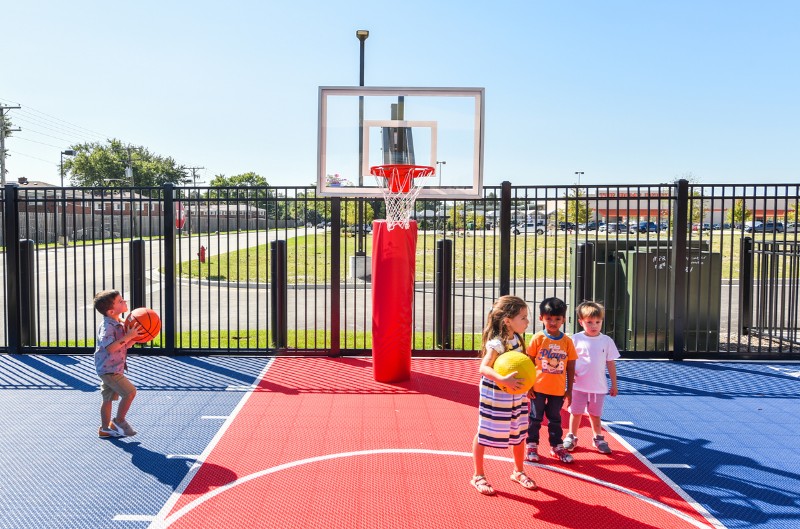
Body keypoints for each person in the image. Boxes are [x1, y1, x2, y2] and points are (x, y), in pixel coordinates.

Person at [471, 295, 537, 495]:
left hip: (515, 394)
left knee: (519, 432)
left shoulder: (517, 338)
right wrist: (503, 380)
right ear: (508, 320)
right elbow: (484, 368)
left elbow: (524, 367)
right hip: (495, 395)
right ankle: (478, 475)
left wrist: (529, 385)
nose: (527, 321)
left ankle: (518, 471)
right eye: (523, 317)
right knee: (485, 432)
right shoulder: (497, 343)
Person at [525, 297, 577, 464]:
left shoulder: (567, 341)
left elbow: (570, 365)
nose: (553, 322)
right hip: (538, 387)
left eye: (557, 319)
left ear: (563, 319)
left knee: (555, 419)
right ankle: (532, 445)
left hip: (558, 389)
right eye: (549, 318)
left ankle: (557, 446)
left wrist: (569, 389)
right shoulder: (538, 338)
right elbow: (529, 362)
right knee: (535, 418)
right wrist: (528, 385)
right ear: (541, 318)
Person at [564, 301, 620, 454]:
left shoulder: (606, 341)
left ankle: (598, 438)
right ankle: (572, 436)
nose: (594, 325)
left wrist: (614, 384)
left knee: (595, 415)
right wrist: (569, 376)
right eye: (589, 322)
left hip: (598, 387)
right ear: (581, 322)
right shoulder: (575, 339)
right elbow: (569, 361)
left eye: (597, 322)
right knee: (575, 413)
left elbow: (610, 363)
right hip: (578, 386)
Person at [93, 290, 144, 438]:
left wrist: (135, 338)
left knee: (107, 398)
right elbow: (110, 347)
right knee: (130, 393)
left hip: (110, 368)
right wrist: (128, 336)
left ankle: (104, 429)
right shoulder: (107, 326)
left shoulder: (118, 323)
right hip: (110, 370)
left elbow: (123, 346)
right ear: (111, 311)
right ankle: (118, 421)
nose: (125, 301)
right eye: (121, 301)